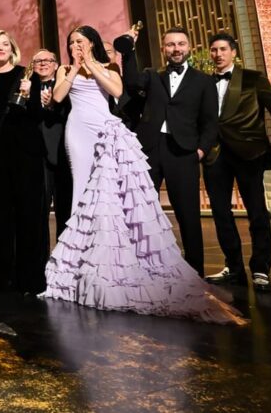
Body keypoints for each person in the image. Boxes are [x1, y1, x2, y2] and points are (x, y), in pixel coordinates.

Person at [41, 25, 245, 325]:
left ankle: (141, 264)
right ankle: (81, 264)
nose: (75, 46)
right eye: (71, 42)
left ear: (92, 43)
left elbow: (118, 92)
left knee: (115, 198)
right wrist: (73, 68)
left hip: (109, 132)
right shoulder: (65, 70)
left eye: (80, 41)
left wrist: (91, 64)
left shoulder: (109, 67)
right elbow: (59, 97)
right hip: (79, 133)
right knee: (82, 192)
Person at [113, 26, 218, 275]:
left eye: (181, 44)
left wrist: (201, 151)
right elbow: (130, 83)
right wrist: (129, 50)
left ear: (189, 47)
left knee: (188, 214)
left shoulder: (204, 81)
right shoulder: (152, 75)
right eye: (171, 44)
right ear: (163, 49)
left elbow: (210, 121)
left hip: (184, 152)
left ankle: (195, 272)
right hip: (150, 149)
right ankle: (143, 269)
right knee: (141, 210)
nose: (176, 49)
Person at [203, 33, 271, 292]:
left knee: (257, 213)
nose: (218, 54)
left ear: (233, 52)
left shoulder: (253, 78)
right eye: (213, 50)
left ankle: (261, 269)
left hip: (248, 152)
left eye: (223, 49)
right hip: (215, 155)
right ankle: (233, 267)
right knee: (220, 213)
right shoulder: (205, 83)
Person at [0, 31, 46, 293]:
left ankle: (30, 277)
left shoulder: (27, 76)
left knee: (28, 215)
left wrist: (29, 95)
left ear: (13, 49)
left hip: (26, 155)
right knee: (0, 217)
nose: (1, 48)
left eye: (5, 44)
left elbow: (37, 115)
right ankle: (4, 274)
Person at [32, 49, 73, 240]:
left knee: (65, 208)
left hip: (61, 153)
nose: (42, 63)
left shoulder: (66, 86)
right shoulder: (26, 87)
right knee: (38, 211)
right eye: (38, 61)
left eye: (47, 60)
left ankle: (64, 253)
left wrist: (52, 105)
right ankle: (40, 256)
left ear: (56, 65)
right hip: (36, 156)